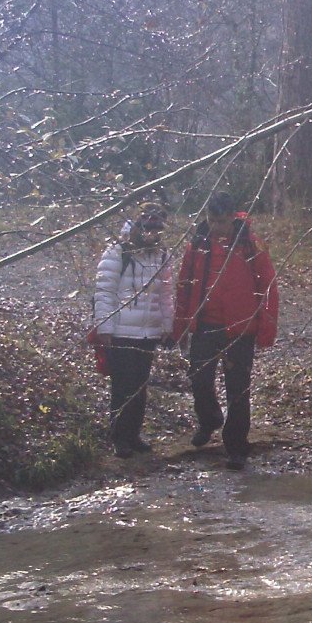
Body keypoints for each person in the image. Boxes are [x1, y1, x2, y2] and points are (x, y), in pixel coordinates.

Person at [173, 192, 278, 470]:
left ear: (233, 217)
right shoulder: (197, 244)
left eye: (221, 221)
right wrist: (181, 324)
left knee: (238, 390)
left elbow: (268, 286)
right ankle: (209, 420)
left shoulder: (251, 245)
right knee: (199, 378)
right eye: (211, 220)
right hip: (205, 323)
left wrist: (267, 326)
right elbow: (184, 284)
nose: (216, 226)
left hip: (240, 327)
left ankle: (236, 447)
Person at [92, 205, 174, 459]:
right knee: (122, 386)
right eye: (146, 227)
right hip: (120, 332)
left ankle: (134, 435)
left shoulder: (161, 256)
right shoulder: (117, 253)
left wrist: (168, 326)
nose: (151, 234)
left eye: (156, 229)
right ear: (136, 227)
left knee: (140, 386)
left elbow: (166, 295)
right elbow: (104, 291)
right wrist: (104, 326)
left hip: (148, 333)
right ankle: (119, 437)